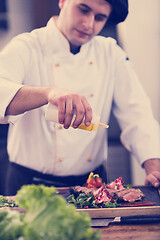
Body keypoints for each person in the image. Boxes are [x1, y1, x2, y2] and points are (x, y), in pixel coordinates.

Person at [0, 0, 160, 196]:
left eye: (100, 18)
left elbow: (138, 115)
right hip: (29, 184)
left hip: (92, 184)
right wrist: (48, 93)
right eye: (83, 10)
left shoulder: (111, 53)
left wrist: (154, 166)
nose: (88, 24)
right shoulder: (26, 46)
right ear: (63, 1)